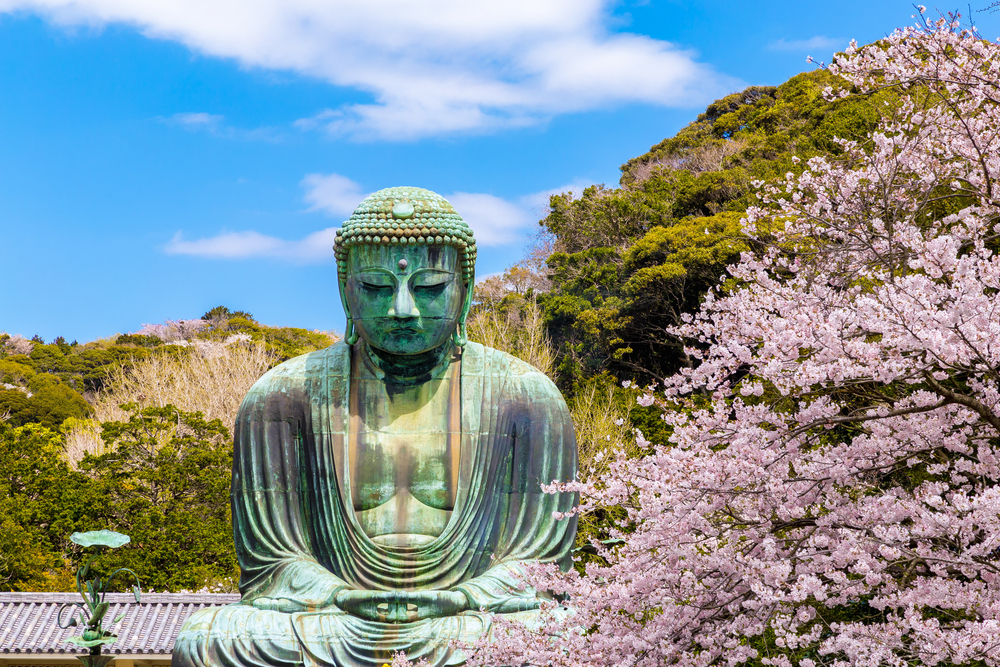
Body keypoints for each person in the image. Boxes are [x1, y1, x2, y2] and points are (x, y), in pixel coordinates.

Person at [172, 187, 577, 667]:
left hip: (464, 619)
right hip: (334, 620)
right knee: (207, 639)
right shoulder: (283, 397)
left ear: (464, 290)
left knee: (560, 636)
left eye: (428, 288)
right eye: (376, 287)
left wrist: (462, 598)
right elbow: (270, 567)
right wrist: (339, 595)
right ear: (345, 289)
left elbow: (541, 568)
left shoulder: (526, 396)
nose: (402, 309)